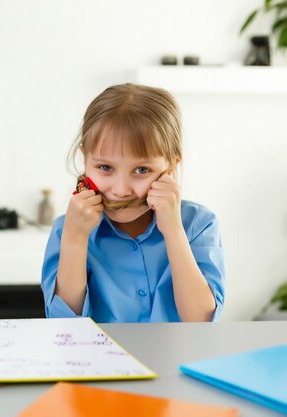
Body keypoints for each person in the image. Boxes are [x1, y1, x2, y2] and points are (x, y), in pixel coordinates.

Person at [41, 83, 225, 323]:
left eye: (141, 169)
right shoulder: (66, 229)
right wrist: (75, 240)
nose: (120, 190)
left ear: (171, 166)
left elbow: (201, 321)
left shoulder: (199, 224)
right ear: (85, 158)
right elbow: (64, 323)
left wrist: (173, 231)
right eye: (105, 168)